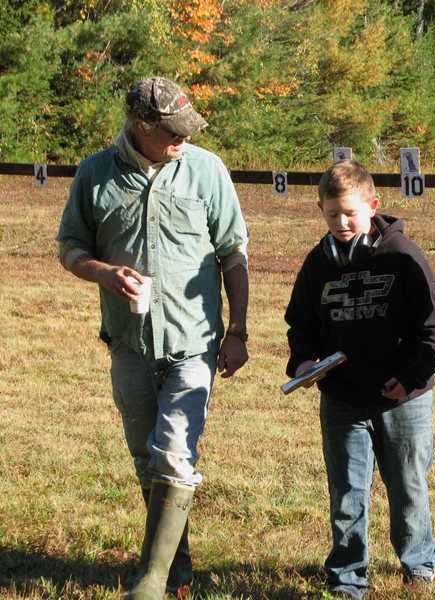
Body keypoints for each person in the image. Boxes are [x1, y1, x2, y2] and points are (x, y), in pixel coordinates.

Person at [56, 76, 250, 600]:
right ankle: (177, 570)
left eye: (190, 129)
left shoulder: (206, 170)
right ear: (141, 126)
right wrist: (102, 273)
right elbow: (70, 246)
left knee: (173, 452)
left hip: (194, 340)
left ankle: (151, 581)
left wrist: (237, 330)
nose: (184, 139)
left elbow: (233, 252)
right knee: (148, 461)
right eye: (174, 131)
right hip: (129, 344)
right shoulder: (96, 174)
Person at [285, 159, 435, 600]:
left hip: (403, 400)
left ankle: (418, 564)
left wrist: (411, 379)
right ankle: (346, 575)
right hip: (341, 399)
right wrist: (303, 363)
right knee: (345, 492)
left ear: (373, 206)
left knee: (408, 485)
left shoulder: (401, 255)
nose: (342, 222)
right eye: (332, 213)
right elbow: (300, 323)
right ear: (320, 209)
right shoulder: (317, 264)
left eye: (351, 212)